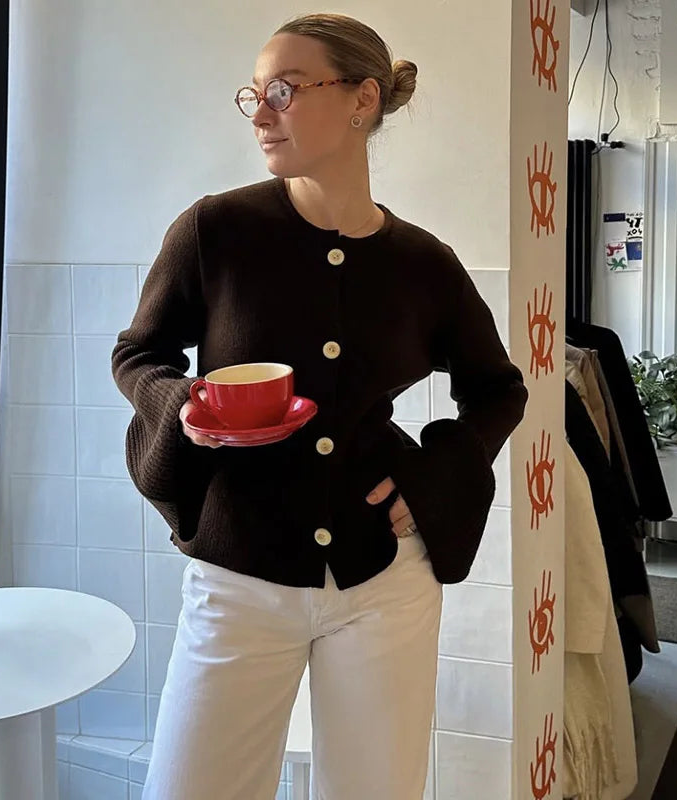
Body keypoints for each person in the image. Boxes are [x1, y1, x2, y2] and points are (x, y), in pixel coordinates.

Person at [112, 12, 528, 800]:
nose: (261, 112)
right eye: (254, 93)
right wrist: (182, 409)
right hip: (238, 576)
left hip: (383, 582)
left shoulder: (421, 263)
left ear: (362, 100)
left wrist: (435, 479)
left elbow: (498, 389)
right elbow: (140, 354)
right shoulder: (216, 230)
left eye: (284, 89)